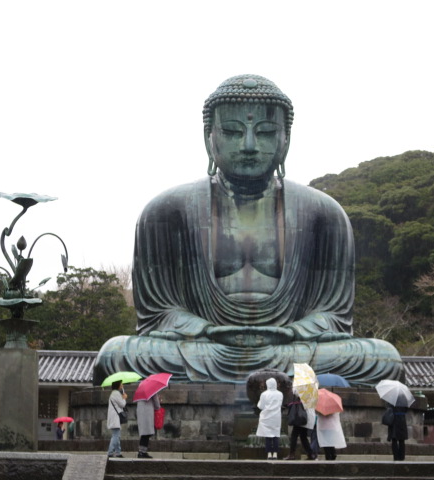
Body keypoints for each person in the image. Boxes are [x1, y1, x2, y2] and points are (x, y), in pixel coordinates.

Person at [93, 74, 404, 386]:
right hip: (204, 347)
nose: (250, 146)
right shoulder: (166, 211)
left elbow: (334, 316)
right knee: (116, 354)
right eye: (232, 132)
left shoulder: (324, 213)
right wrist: (204, 329)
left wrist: (293, 331)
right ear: (208, 137)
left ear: (286, 140)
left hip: (290, 349)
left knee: (382, 358)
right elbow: (157, 315)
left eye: (266, 132)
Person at [283, 392, 316, 460]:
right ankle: (310, 454)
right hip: (307, 418)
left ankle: (292, 454)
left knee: (294, 435)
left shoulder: (303, 393)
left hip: (301, 417)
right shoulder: (312, 394)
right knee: (303, 437)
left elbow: (296, 394)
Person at [256, 377, 283, 459]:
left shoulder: (264, 394)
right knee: (275, 434)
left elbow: (261, 406)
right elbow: (280, 404)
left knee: (267, 435)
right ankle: (275, 453)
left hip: (267, 416)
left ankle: (268, 453)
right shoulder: (280, 394)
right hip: (276, 417)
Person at [136, 393, 161, 458]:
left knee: (145, 432)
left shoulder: (141, 387)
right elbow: (156, 403)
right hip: (147, 412)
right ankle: (142, 452)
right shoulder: (152, 389)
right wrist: (158, 405)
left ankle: (142, 451)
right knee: (146, 433)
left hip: (141, 410)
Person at [107, 380, 127, 458]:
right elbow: (122, 404)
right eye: (121, 383)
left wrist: (121, 397)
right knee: (116, 435)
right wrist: (124, 398)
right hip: (115, 417)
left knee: (117, 435)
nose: (122, 385)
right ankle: (110, 452)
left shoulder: (114, 393)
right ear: (118, 385)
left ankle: (118, 452)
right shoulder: (116, 393)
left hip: (115, 417)